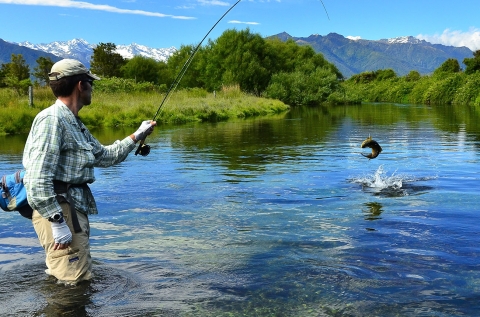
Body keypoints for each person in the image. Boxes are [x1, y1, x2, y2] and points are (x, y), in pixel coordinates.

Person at [22, 59, 156, 285]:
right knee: (73, 284)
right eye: (91, 83)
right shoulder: (51, 120)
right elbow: (36, 179)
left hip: (69, 209)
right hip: (60, 211)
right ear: (80, 86)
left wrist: (138, 135)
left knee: (71, 279)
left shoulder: (73, 122)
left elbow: (105, 156)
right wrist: (57, 221)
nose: (92, 88)